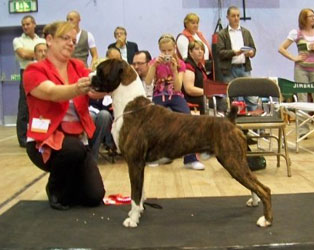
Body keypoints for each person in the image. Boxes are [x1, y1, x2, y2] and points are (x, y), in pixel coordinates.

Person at [23, 21, 105, 210]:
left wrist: (113, 82)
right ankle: (54, 188)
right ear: (49, 40)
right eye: (65, 38)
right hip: (43, 140)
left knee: (94, 196)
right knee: (73, 148)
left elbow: (94, 91)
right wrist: (77, 88)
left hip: (76, 139)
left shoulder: (77, 66)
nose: (71, 43)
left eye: (74, 41)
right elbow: (52, 92)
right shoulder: (33, 71)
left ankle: (70, 184)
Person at [145, 34, 205, 170]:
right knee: (153, 122)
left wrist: (174, 70)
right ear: (160, 50)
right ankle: (154, 156)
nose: (167, 54)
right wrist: (154, 66)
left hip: (176, 96)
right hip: (159, 95)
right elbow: (148, 82)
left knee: (189, 121)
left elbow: (178, 87)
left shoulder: (181, 64)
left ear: (174, 49)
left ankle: (190, 159)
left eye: (169, 50)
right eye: (163, 51)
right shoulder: (154, 62)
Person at [278, 8, 314, 137]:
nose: (313, 18)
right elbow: (281, 48)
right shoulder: (296, 33)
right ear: (304, 18)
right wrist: (294, 58)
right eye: (310, 16)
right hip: (302, 70)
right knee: (302, 100)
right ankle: (303, 131)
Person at [13, 15, 46, 147]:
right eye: (23, 25)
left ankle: (40, 134)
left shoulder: (41, 39)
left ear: (34, 25)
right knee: (24, 106)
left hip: (43, 73)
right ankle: (23, 139)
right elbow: (23, 54)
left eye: (28, 24)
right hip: (27, 73)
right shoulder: (17, 40)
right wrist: (39, 53)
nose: (26, 27)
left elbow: (48, 54)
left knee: (41, 105)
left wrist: (39, 52)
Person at [216, 6, 257, 111]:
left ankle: (255, 124)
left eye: (238, 16)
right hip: (229, 70)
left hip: (244, 68)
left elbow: (253, 48)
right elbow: (220, 53)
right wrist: (234, 52)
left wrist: (251, 53)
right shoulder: (222, 34)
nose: (236, 18)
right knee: (230, 98)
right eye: (233, 16)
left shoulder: (246, 32)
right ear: (227, 17)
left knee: (251, 97)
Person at [176, 13, 213, 77]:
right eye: (193, 23)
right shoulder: (182, 38)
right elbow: (186, 59)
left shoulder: (199, 35)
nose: (196, 25)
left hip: (206, 69)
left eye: (197, 23)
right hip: (193, 71)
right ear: (186, 24)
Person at [183, 41, 208, 115]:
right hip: (192, 103)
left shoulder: (200, 65)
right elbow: (189, 89)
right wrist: (207, 92)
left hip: (201, 100)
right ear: (190, 52)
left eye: (202, 49)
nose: (200, 52)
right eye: (197, 49)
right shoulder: (188, 66)